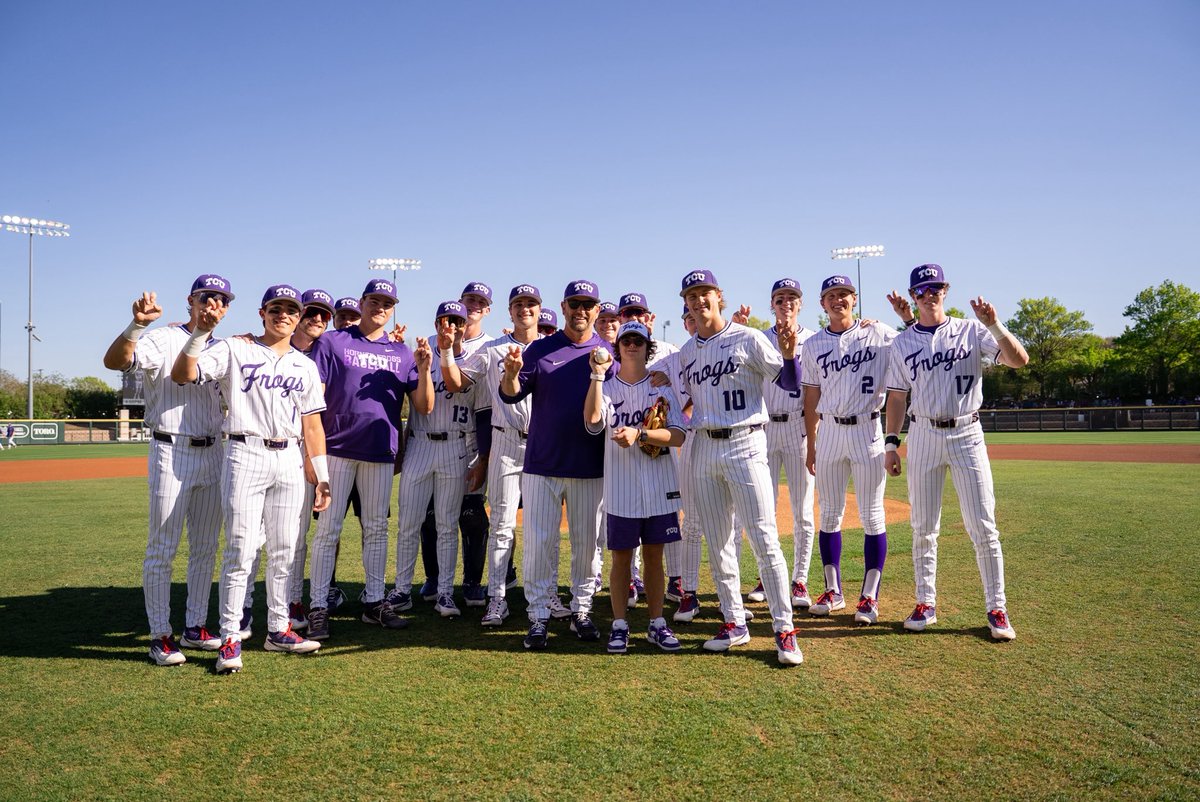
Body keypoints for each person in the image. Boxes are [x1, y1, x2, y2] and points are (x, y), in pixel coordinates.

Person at [170, 284, 331, 674]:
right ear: (262, 313)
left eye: (291, 310)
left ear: (298, 317)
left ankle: (278, 630)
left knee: (284, 550)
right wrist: (198, 334)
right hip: (245, 451)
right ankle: (229, 637)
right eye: (276, 308)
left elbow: (313, 424)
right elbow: (182, 374)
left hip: (290, 458)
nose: (284, 315)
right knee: (241, 550)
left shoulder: (305, 365)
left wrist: (321, 476)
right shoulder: (234, 348)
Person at [883, 264, 1029, 641]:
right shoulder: (902, 343)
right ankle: (925, 602)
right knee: (923, 527)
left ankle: (997, 607)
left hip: (967, 432)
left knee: (983, 525)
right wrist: (891, 443)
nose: (929, 294)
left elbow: (1018, 360)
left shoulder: (970, 329)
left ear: (945, 290)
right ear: (913, 296)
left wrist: (995, 324)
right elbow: (896, 397)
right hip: (924, 434)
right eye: (922, 289)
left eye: (935, 287)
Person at [102, 275, 232, 666]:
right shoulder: (164, 337)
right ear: (191, 300)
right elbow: (115, 362)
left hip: (214, 451)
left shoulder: (228, 348)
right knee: (163, 548)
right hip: (170, 447)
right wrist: (137, 325)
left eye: (222, 299)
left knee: (206, 548)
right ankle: (160, 634)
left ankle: (195, 627)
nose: (214, 304)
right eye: (207, 297)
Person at [676, 269, 803, 666]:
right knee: (718, 543)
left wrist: (788, 353)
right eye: (692, 295)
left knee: (764, 540)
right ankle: (734, 623)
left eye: (705, 293)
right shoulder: (685, 352)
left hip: (746, 443)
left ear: (720, 296)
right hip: (704, 447)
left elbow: (790, 383)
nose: (699, 301)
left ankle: (784, 629)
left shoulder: (747, 337)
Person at [305, 278, 433, 640]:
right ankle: (318, 606)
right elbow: (314, 397)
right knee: (328, 531)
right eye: (374, 301)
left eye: (387, 303)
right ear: (361, 303)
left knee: (376, 529)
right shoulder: (333, 341)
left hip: (378, 452)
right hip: (336, 450)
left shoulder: (401, 352)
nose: (380, 308)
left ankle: (374, 602)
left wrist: (424, 369)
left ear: (393, 310)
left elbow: (423, 406)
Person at [500, 279, 614, 649]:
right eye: (575, 304)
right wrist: (512, 372)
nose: (581, 311)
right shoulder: (541, 349)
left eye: (588, 305)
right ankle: (537, 617)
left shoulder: (608, 352)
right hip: (542, 462)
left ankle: (581, 611)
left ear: (597, 310)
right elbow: (511, 392)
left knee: (586, 546)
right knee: (539, 543)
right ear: (563, 308)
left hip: (588, 464)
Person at [441, 284, 552, 627]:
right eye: (518, 304)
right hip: (505, 441)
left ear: (539, 309)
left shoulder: (552, 348)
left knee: (542, 527)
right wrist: (446, 352)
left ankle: (545, 596)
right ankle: (497, 598)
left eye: (530, 304)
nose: (525, 309)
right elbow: (458, 382)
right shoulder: (492, 349)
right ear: (510, 311)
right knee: (503, 524)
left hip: (543, 443)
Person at [584, 320, 687, 653]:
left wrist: (640, 434)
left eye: (638, 341)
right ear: (618, 347)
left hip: (660, 484)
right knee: (621, 559)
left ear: (647, 347)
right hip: (621, 485)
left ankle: (657, 623)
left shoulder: (661, 388)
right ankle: (619, 625)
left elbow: (679, 434)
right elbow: (592, 421)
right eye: (626, 340)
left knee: (655, 558)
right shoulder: (608, 387)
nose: (631, 345)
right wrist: (597, 376)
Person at [801, 275, 898, 625]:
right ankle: (833, 590)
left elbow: (914, 349)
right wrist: (811, 443)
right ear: (822, 303)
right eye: (830, 295)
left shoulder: (880, 333)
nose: (837, 300)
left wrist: (905, 317)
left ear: (854, 299)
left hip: (868, 428)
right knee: (829, 513)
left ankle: (869, 597)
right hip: (829, 431)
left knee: (872, 514)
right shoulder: (812, 345)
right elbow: (811, 396)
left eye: (843, 294)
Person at [391, 300, 480, 618]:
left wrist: (443, 353)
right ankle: (401, 589)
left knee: (446, 525)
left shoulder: (475, 354)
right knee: (409, 524)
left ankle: (445, 592)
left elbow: (457, 384)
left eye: (458, 321)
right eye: (446, 320)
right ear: (436, 322)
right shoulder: (420, 350)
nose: (452, 327)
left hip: (454, 447)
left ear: (465, 325)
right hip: (419, 443)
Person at [743, 279, 818, 611]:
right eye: (779, 298)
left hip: (800, 427)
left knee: (803, 510)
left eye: (791, 298)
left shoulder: (814, 341)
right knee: (763, 510)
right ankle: (766, 577)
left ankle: (799, 580)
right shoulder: (759, 339)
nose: (786, 303)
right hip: (764, 428)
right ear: (771, 305)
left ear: (800, 304)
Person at [417, 282, 493, 607]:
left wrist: (485, 456)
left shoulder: (490, 347)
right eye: (470, 300)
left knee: (472, 513)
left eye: (481, 301)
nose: (474, 305)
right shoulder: (429, 344)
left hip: (469, 439)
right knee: (431, 514)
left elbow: (486, 408)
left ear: (487, 309)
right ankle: (434, 578)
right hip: (432, 441)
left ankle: (472, 582)